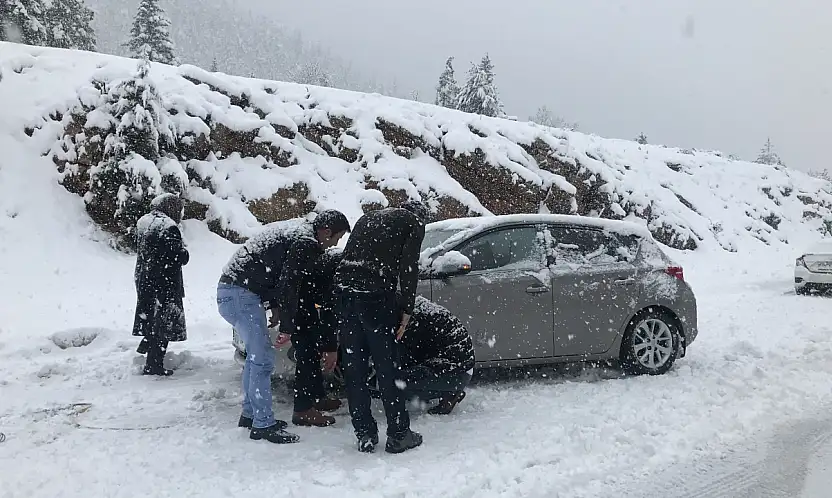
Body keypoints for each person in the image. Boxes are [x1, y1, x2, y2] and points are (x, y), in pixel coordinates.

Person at [217, 210, 350, 444]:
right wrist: (287, 325)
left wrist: (277, 307)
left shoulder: (299, 233)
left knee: (256, 358)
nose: (333, 245)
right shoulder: (305, 242)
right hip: (240, 294)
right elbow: (290, 284)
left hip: (234, 291)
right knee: (262, 359)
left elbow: (279, 275)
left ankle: (250, 415)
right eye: (336, 239)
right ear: (326, 231)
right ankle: (262, 424)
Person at [334, 199, 429, 454]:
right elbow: (408, 268)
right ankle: (399, 434)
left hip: (345, 294)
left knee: (355, 368)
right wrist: (407, 310)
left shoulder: (368, 218)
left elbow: (349, 257)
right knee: (387, 367)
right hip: (374, 297)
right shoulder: (412, 222)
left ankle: (364, 433)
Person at [132, 193, 189, 377]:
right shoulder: (169, 227)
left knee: (152, 320)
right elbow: (176, 258)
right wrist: (184, 252)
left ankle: (148, 347)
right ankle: (154, 365)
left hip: (145, 280)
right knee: (164, 326)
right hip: (164, 285)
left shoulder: (143, 222)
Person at [289, 249, 343, 427]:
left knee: (312, 353)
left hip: (305, 303)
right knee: (307, 355)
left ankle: (318, 398)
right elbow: (329, 309)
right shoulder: (339, 268)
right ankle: (302, 410)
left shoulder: (339, 260)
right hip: (299, 305)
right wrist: (330, 347)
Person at [396, 295, 475, 415]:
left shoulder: (412, 323)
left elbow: (405, 359)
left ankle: (449, 393)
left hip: (456, 371)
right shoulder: (414, 308)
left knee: (396, 382)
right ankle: (446, 389)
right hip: (461, 366)